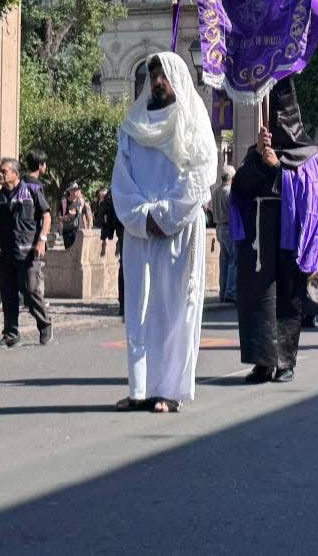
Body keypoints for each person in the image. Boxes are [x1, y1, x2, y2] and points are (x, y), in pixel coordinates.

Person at [109, 52, 216, 412]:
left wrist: (166, 216)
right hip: (141, 233)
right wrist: (143, 218)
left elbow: (201, 176)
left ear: (177, 80)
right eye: (152, 74)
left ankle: (170, 391)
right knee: (139, 309)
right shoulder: (132, 126)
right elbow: (121, 182)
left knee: (175, 310)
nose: (157, 81)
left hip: (179, 232)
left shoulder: (193, 123)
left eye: (164, 75)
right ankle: (140, 389)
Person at [230, 76, 318, 383]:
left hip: (291, 238)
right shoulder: (256, 151)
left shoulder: (309, 157)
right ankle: (262, 361)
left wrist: (278, 169)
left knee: (287, 299)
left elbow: (314, 197)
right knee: (256, 300)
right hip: (259, 237)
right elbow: (240, 188)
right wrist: (259, 162)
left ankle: (285, 362)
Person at [0, 157, 52, 347]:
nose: (0, 174)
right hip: (5, 253)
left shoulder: (32, 191)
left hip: (28, 252)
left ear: (15, 174)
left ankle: (45, 324)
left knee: (30, 290)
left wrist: (42, 240)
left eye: (4, 171)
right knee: (8, 295)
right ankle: (11, 334)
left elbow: (47, 216)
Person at [96, 186, 127, 317]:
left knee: (125, 267)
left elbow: (106, 211)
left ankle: (124, 305)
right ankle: (125, 304)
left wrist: (106, 235)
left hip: (125, 229)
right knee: (126, 268)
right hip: (129, 229)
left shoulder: (117, 186)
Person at [210, 166, 237, 304]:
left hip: (218, 227)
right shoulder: (230, 192)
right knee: (233, 260)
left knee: (224, 261)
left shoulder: (215, 192)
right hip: (228, 227)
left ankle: (223, 291)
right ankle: (230, 292)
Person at [60, 183, 92, 249]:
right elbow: (59, 218)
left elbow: (85, 216)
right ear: (69, 191)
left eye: (76, 190)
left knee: (79, 251)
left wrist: (87, 229)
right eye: (73, 190)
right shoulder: (64, 202)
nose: (75, 192)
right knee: (69, 251)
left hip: (79, 231)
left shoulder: (81, 201)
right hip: (67, 231)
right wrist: (66, 218)